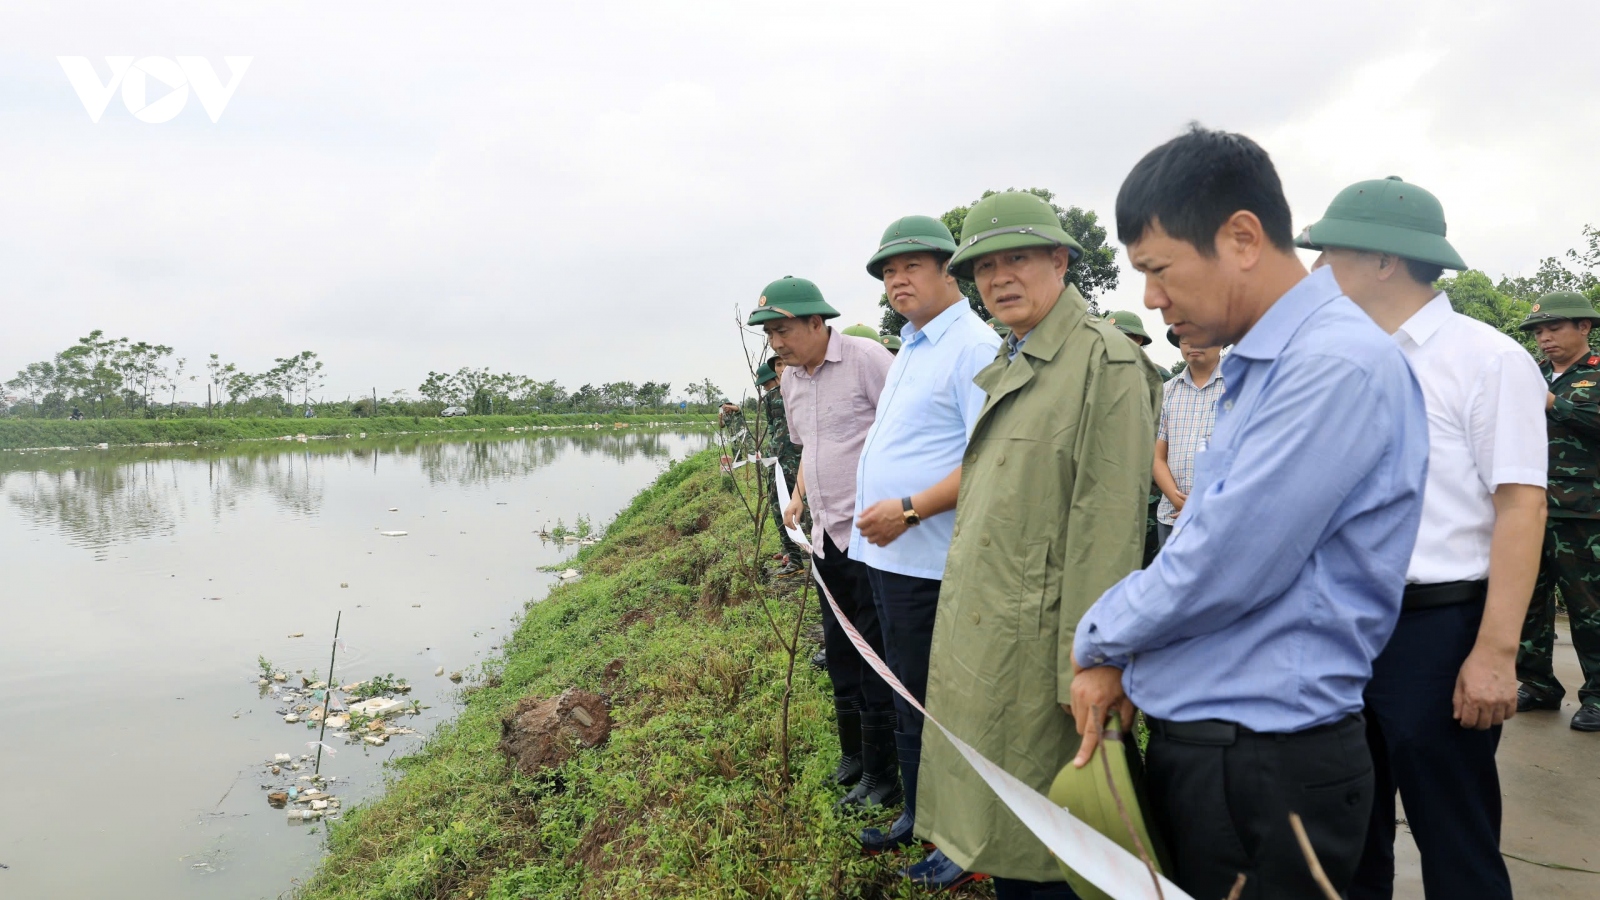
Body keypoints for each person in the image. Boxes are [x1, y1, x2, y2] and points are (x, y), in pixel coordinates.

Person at [1070, 126, 1429, 900]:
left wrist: (1098, 636)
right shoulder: (1268, 367)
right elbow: (1203, 533)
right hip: (1232, 754)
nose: (1152, 299)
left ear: (1240, 237)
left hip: (1265, 767)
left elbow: (1224, 562)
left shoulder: (1330, 366)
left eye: (1158, 269)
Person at [1301, 176, 1548, 900]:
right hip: (1343, 633)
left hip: (1438, 634)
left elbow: (1521, 508)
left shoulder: (1487, 360)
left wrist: (1496, 654)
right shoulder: (1337, 359)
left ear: (1385, 260)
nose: (1316, 271)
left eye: (1330, 253)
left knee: (1455, 842)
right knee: (1349, 841)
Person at [915, 191, 1162, 898]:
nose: (998, 279)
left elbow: (1107, 531)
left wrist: (1089, 667)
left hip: (1047, 664)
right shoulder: (1016, 355)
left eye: (1017, 259)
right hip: (990, 649)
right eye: (984, 267)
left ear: (1060, 259)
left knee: (1053, 849)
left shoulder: (1104, 363)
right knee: (1010, 834)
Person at [849, 216, 1000, 862]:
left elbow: (988, 459)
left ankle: (960, 840)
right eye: (887, 272)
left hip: (928, 561)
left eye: (910, 267)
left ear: (949, 269)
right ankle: (920, 813)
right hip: (889, 558)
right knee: (906, 694)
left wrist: (908, 510)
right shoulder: (912, 344)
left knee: (936, 705)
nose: (897, 281)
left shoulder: (972, 346)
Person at [751, 276, 898, 807]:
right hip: (825, 534)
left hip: (875, 536)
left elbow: (907, 434)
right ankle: (854, 755)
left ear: (818, 322)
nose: (777, 344)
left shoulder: (867, 359)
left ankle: (884, 776)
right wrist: (798, 494)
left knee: (876, 652)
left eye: (784, 330)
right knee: (839, 650)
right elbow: (811, 447)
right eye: (769, 334)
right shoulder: (791, 380)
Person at [1517, 290, 1600, 732]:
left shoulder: (1596, 373)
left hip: (1584, 512)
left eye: (1553, 328)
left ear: (1584, 327)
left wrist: (1556, 404)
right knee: (1529, 600)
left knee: (1589, 607)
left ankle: (1599, 695)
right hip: (1529, 508)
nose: (1543, 338)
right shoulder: (1534, 375)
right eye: (1537, 332)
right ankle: (1536, 683)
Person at [1107, 309, 1171, 569]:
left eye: (1121, 336)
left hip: (1149, 489)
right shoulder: (1097, 375)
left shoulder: (1159, 377)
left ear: (1139, 340)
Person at [1152, 329, 1224, 550]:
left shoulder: (1240, 388)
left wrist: (1205, 502)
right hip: (1173, 518)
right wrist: (1178, 499)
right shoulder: (1167, 392)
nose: (1193, 343)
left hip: (1222, 517)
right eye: (1186, 337)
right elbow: (1157, 457)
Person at [755, 358, 806, 576]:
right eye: (778, 366)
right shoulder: (770, 398)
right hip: (777, 462)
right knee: (779, 506)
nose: (782, 369)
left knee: (804, 507)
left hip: (800, 461)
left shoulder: (804, 389)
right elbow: (771, 426)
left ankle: (805, 552)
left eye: (785, 364)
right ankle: (792, 554)